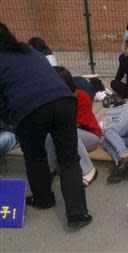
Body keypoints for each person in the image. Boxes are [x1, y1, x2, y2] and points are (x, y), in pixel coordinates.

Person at [0, 23, 92, 227]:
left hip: (29, 111)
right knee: (69, 158)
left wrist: (11, 120)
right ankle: (77, 212)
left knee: (35, 157)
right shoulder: (30, 51)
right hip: (64, 102)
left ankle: (43, 199)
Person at [45, 66, 101, 187]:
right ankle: (50, 170)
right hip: (65, 136)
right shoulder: (53, 98)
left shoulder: (81, 96)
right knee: (49, 135)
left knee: (69, 132)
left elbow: (72, 124)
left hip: (90, 136)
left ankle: (89, 170)